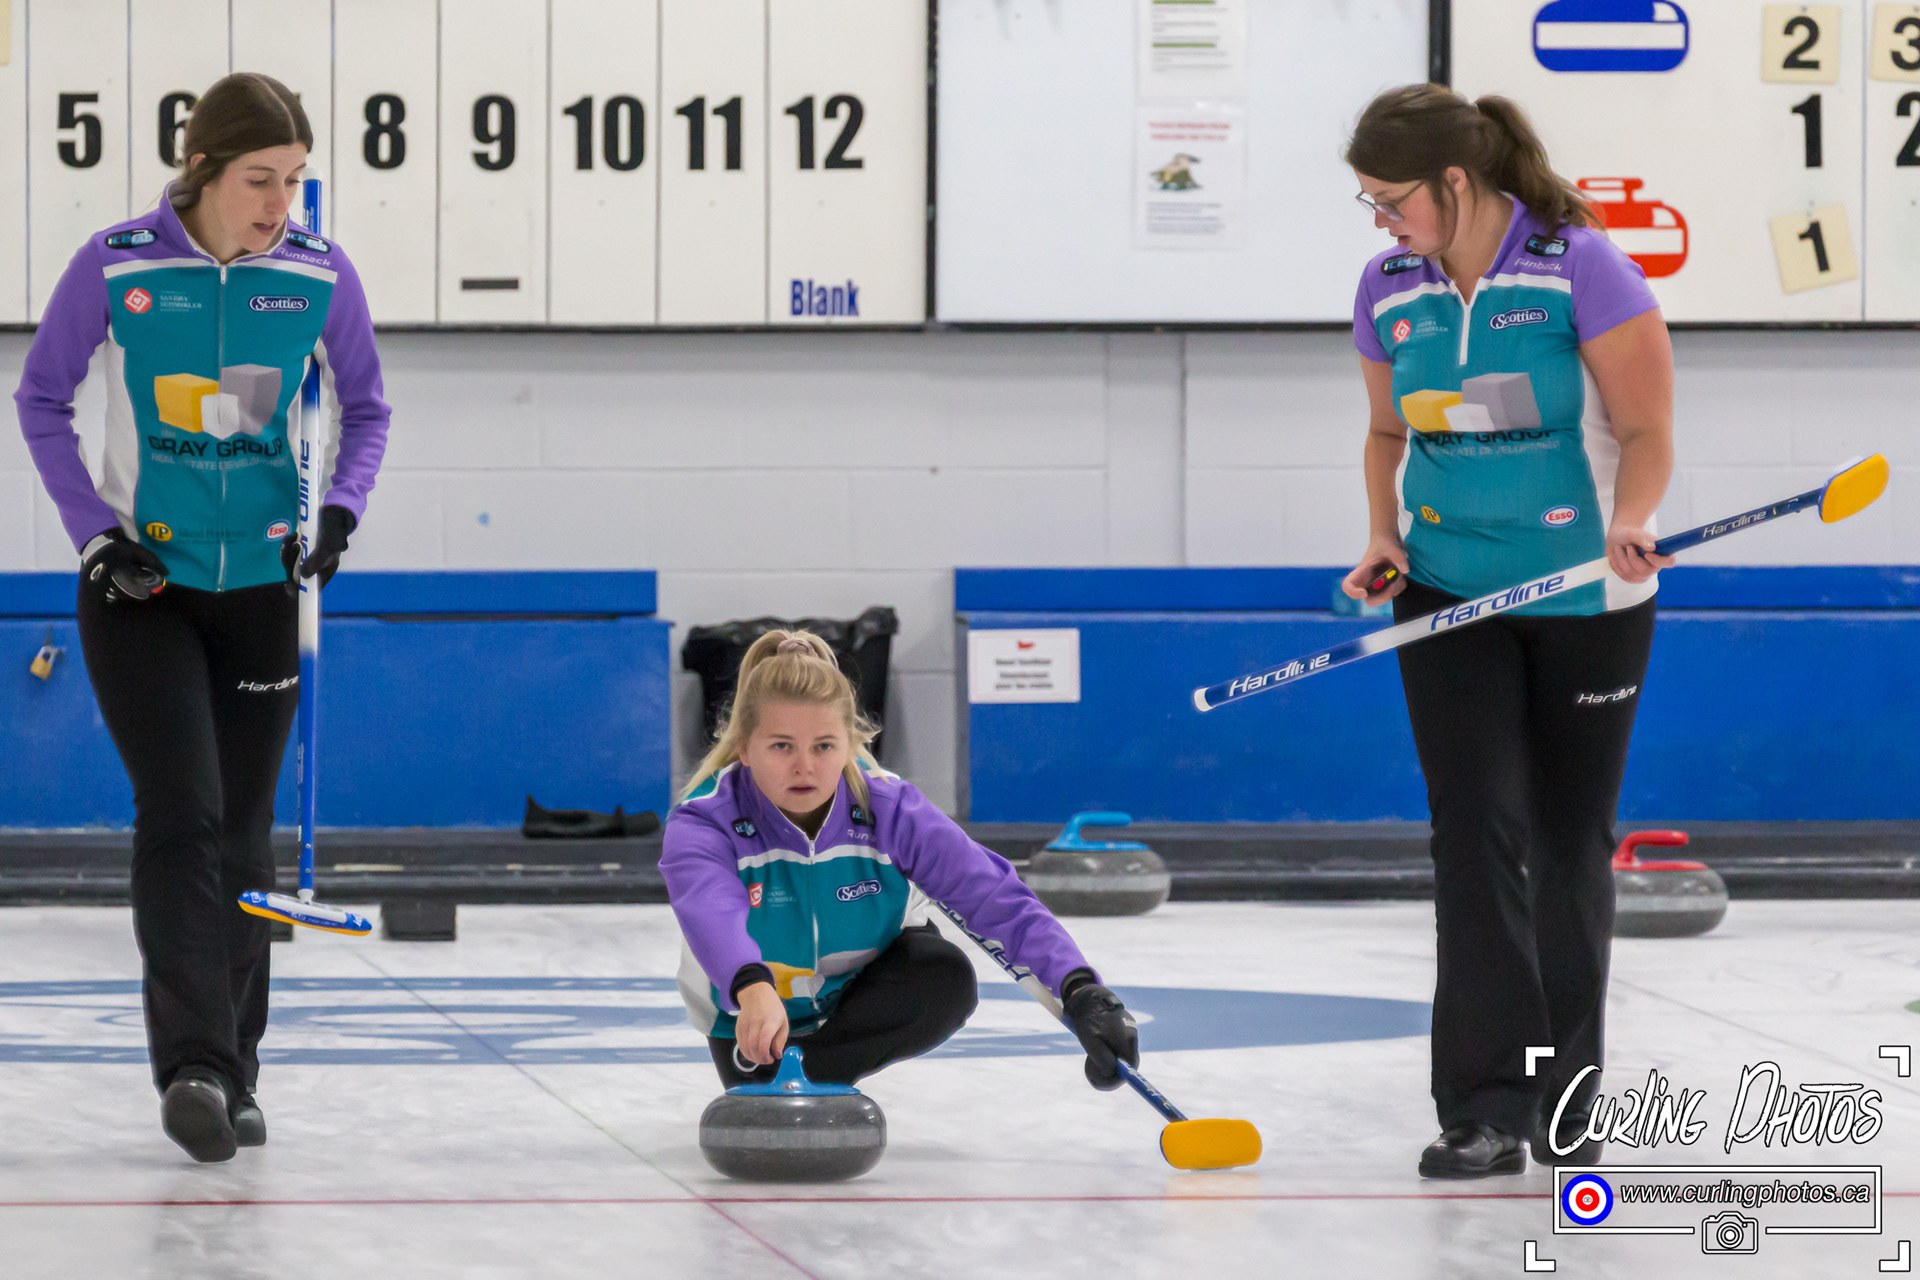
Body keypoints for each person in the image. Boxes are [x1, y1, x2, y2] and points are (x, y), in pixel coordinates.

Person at [14, 73, 390, 1163]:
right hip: (142, 589)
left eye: (296, 180)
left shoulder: (318, 275)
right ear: (203, 169)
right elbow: (40, 400)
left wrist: (341, 511)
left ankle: (235, 1067)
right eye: (261, 180)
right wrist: (95, 533)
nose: (282, 204)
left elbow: (367, 408)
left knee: (243, 832)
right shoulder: (116, 263)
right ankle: (192, 1066)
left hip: (263, 591)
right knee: (181, 813)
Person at [1340, 85, 1674, 1178]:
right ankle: (1484, 1107)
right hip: (1445, 593)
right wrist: (1383, 534)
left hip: (1587, 598)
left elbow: (1646, 429)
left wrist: (1631, 519)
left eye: (1391, 198)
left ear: (1455, 181)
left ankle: (1565, 1097)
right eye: (1366, 202)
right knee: (1475, 832)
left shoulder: (1583, 267)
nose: (1380, 221)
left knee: (1568, 842)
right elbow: (1387, 431)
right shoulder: (1387, 287)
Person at [662, 631, 1138, 1097]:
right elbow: (711, 911)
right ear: (745, 747)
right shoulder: (704, 820)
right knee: (759, 1097)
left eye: (824, 745)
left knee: (943, 978)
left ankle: (812, 1076)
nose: (804, 766)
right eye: (782, 746)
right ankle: (791, 1078)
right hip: (750, 1011)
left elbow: (993, 896)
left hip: (858, 995)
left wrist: (1079, 987)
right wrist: (750, 987)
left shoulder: (889, 809)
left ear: (848, 744)